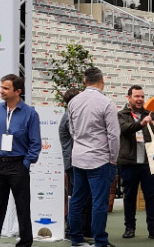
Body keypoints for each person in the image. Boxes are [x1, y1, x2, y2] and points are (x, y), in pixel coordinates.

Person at [68, 66, 120, 247]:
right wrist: (113, 158)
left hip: (79, 157)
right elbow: (114, 135)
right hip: (100, 159)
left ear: (84, 81)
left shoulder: (73, 102)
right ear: (102, 81)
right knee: (99, 202)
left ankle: (75, 238)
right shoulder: (106, 103)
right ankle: (100, 241)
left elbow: (72, 130)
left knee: (76, 199)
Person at [0, 74, 42, 247]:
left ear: (18, 91)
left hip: (18, 165)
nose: (1, 91)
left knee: (22, 207)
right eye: (1, 87)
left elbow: (35, 143)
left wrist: (25, 163)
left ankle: (25, 242)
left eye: (6, 88)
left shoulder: (30, 113)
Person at [116, 85, 154, 240]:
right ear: (129, 98)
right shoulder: (121, 115)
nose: (140, 99)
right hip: (128, 163)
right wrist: (142, 123)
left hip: (148, 163)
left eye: (142, 96)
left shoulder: (150, 114)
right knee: (129, 197)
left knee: (151, 197)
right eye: (136, 96)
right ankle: (129, 228)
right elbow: (125, 129)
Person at [60, 88, 92, 241]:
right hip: (74, 163)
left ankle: (84, 229)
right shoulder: (69, 117)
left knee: (84, 198)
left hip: (77, 161)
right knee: (78, 198)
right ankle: (71, 230)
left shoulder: (72, 115)